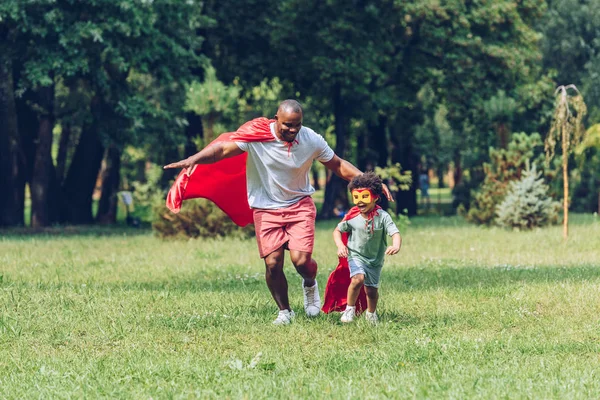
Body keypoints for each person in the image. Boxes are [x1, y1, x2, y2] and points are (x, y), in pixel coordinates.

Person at [164, 99, 392, 325]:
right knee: (273, 263)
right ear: (276, 120)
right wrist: (195, 158)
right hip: (265, 208)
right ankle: (285, 311)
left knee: (301, 261)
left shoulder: (310, 139)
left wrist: (369, 181)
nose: (293, 130)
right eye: (287, 125)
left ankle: (310, 283)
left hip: (299, 205)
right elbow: (222, 149)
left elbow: (338, 164)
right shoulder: (257, 137)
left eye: (297, 125)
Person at [332, 172, 401, 324]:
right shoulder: (352, 216)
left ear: (375, 197)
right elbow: (337, 230)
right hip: (356, 256)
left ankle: (371, 314)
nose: (360, 202)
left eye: (365, 197)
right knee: (358, 279)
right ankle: (349, 310)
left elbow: (395, 232)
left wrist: (396, 244)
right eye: (356, 198)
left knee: (371, 291)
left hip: (375, 260)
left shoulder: (383, 217)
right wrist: (340, 245)